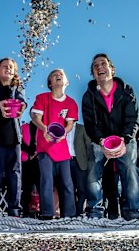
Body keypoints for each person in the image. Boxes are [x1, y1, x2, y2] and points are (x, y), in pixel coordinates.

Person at [81, 53, 139, 220]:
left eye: (103, 64)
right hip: (100, 141)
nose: (100, 67)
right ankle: (94, 211)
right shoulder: (88, 96)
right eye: (95, 66)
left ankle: (132, 212)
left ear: (112, 69)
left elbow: (133, 118)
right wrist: (101, 141)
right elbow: (90, 124)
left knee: (129, 169)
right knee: (93, 172)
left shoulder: (127, 90)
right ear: (93, 74)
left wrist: (125, 139)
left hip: (124, 139)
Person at [31, 68, 78, 219]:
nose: (58, 76)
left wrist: (64, 132)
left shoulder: (71, 103)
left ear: (67, 82)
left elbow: (69, 124)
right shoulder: (42, 98)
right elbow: (35, 117)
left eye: (61, 74)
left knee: (67, 183)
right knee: (46, 180)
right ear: (50, 83)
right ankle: (47, 213)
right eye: (54, 75)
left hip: (62, 149)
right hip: (45, 147)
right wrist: (44, 129)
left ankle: (69, 215)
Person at [0, 58, 27, 218]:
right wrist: (0, 105)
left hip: (14, 140)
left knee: (15, 176)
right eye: (4, 66)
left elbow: (22, 101)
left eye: (11, 67)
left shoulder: (18, 88)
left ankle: (14, 211)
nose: (8, 69)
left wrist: (22, 106)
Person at [67, 122, 91, 216]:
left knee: (82, 189)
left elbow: (88, 145)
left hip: (79, 162)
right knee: (69, 189)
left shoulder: (81, 128)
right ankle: (70, 212)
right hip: (66, 161)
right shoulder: (63, 128)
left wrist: (87, 160)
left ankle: (79, 211)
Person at [20, 118, 40, 218]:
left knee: (40, 187)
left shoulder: (42, 128)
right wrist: (30, 152)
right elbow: (20, 141)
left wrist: (36, 152)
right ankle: (26, 211)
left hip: (38, 161)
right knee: (26, 187)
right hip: (26, 161)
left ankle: (41, 211)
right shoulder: (23, 127)